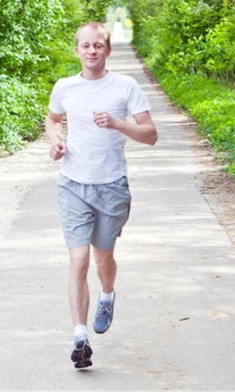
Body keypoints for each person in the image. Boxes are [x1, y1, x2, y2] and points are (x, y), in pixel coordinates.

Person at [45, 22, 158, 369]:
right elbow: (53, 119)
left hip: (111, 186)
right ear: (76, 50)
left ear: (108, 50)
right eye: (86, 45)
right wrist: (55, 140)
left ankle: (107, 295)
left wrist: (117, 123)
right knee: (78, 259)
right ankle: (80, 337)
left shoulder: (125, 86)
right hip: (72, 184)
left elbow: (151, 134)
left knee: (102, 260)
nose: (92, 51)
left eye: (98, 45)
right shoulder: (65, 87)